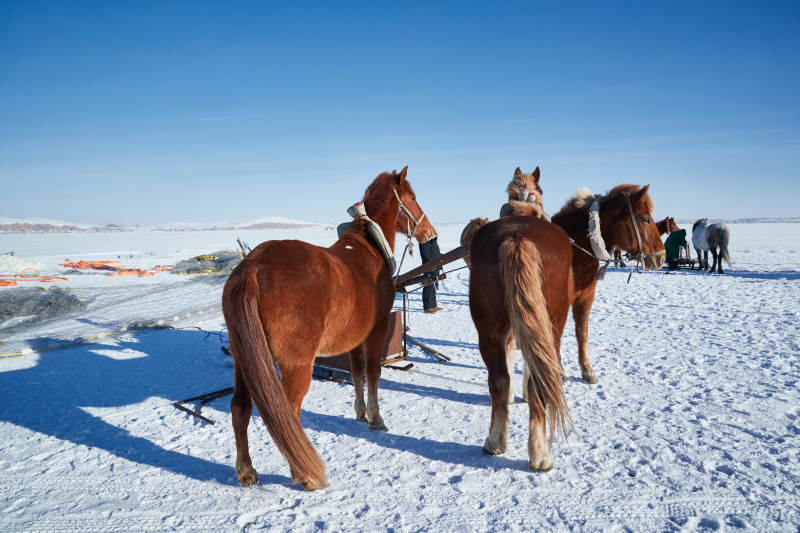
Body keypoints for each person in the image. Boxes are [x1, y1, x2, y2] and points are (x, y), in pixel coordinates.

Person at [419, 234, 443, 313]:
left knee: (433, 286)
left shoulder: (434, 241)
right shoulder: (424, 241)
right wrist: (430, 265)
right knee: (428, 286)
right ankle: (428, 307)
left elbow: (436, 252)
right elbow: (425, 255)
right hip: (429, 266)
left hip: (436, 264)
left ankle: (433, 306)